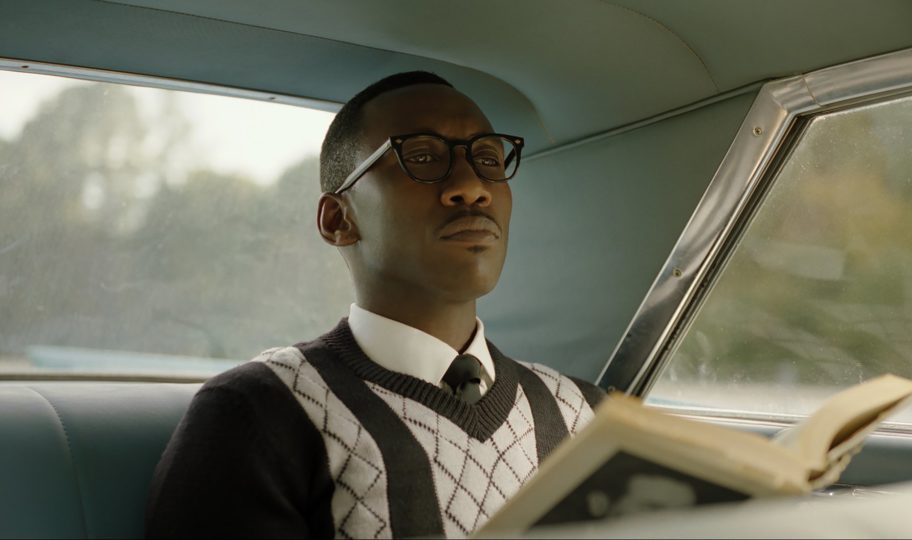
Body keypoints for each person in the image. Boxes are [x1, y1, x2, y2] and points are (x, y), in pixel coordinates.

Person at [145, 71, 605, 539]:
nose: (472, 186)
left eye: (488, 158)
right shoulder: (258, 414)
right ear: (338, 220)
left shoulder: (587, 416)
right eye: (422, 157)